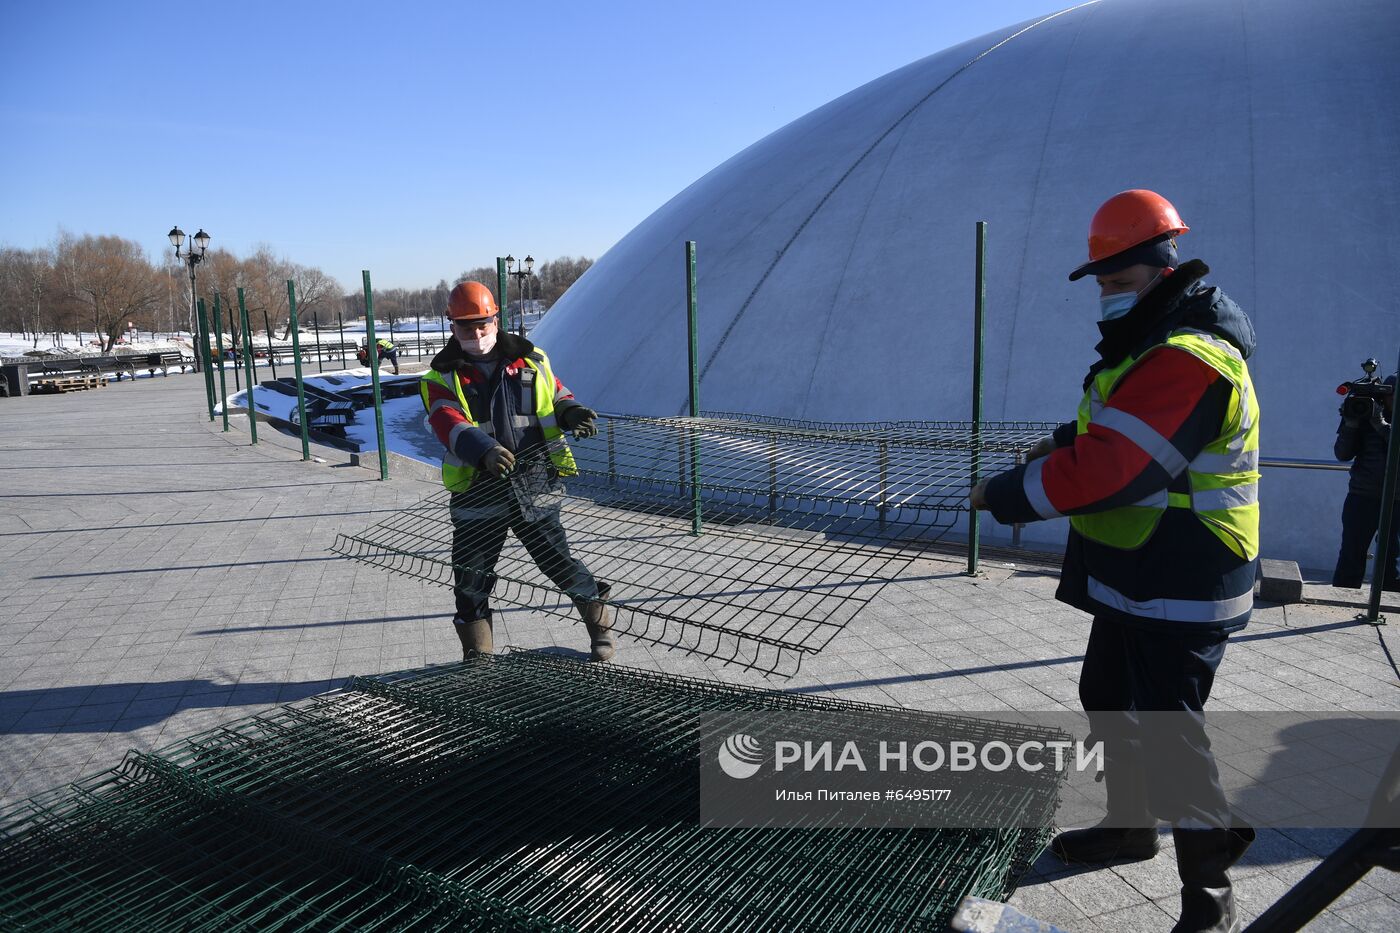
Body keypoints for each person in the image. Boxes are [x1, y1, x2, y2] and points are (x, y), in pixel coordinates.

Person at [972, 190, 1258, 933]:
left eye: (1116, 281)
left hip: (1186, 576)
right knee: (1106, 692)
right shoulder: (1150, 344)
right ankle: (1131, 826)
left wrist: (1007, 491)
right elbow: (1115, 419)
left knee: (1171, 731)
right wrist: (1062, 436)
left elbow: (1122, 465)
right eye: (1099, 282)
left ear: (1163, 270)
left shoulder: (1192, 357)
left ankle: (1211, 901)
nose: (1104, 295)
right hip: (1137, 570)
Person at [420, 281, 614, 661]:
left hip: (534, 480)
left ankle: (600, 627)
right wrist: (485, 451)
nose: (476, 334)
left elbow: (555, 393)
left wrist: (570, 411)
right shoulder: (440, 378)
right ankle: (478, 656)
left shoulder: (532, 360)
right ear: (452, 326)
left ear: (496, 320)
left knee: (559, 563)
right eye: (465, 327)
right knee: (471, 577)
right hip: (478, 486)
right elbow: (447, 421)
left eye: (482, 325)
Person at [1332, 373, 1400, 589]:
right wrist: (1351, 425)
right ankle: (1342, 600)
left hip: (1396, 500)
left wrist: (1380, 425)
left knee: (1391, 558)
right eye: (1391, 395)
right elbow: (1342, 454)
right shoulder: (1365, 411)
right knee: (1351, 554)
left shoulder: (1378, 418)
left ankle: (1387, 609)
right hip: (1362, 496)